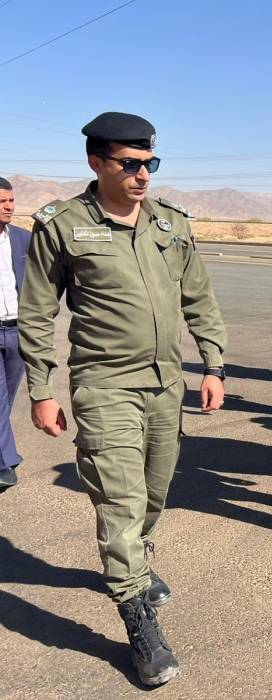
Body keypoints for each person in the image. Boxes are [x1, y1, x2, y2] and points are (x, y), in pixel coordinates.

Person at [18, 112, 227, 686]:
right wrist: (41, 389)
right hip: (105, 384)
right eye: (130, 164)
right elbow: (37, 313)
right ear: (96, 162)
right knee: (120, 499)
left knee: (154, 492)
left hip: (166, 383)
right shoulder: (62, 225)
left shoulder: (170, 222)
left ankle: (137, 557)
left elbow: (199, 297)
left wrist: (213, 364)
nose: (143, 175)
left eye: (150, 163)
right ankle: (137, 617)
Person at [0, 178, 29, 494]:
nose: (9, 207)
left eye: (11, 200)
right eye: (2, 201)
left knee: (6, 398)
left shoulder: (23, 239)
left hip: (17, 330)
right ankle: (4, 463)